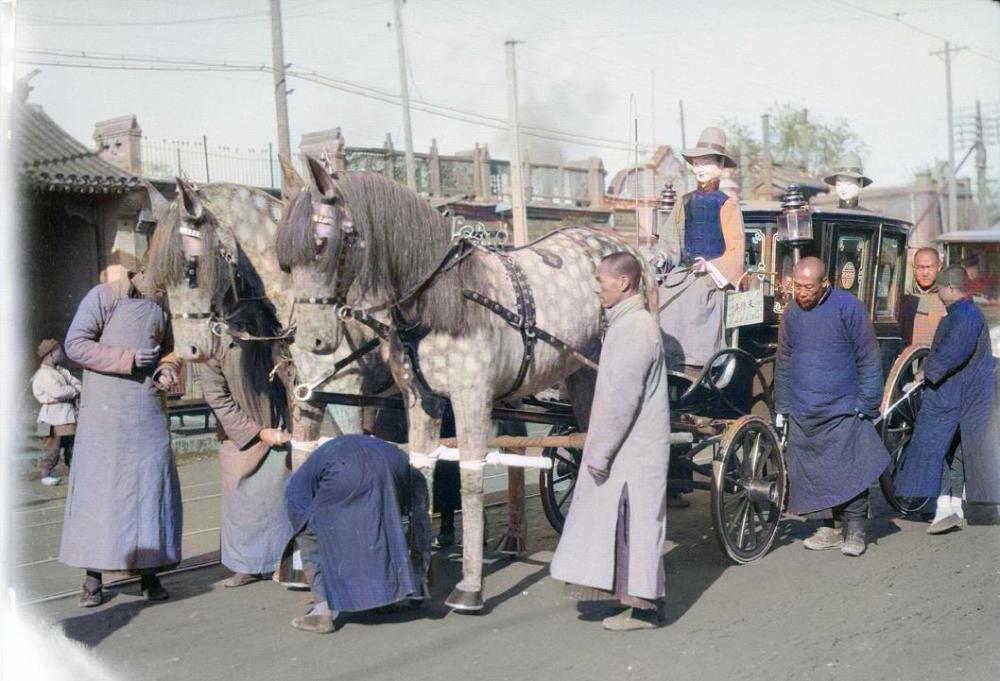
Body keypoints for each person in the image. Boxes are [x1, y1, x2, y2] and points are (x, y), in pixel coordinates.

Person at [550, 252, 671, 631]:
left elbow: (621, 401)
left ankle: (646, 610)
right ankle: (635, 603)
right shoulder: (628, 324)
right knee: (625, 525)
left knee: (634, 526)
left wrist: (598, 455)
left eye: (601, 280)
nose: (597, 287)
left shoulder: (634, 328)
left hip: (632, 451)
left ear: (623, 283)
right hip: (629, 450)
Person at [59, 271, 183, 606]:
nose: (161, 288)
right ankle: (92, 580)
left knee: (151, 490)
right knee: (100, 494)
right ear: (142, 271)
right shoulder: (104, 296)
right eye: (157, 279)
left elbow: (171, 350)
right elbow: (75, 344)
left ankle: (150, 575)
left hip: (147, 411)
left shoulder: (163, 305)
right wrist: (127, 359)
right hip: (105, 415)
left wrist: (167, 369)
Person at [775, 257, 890, 557]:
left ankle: (855, 529)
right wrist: (783, 405)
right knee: (811, 471)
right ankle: (828, 527)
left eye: (808, 287)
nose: (801, 293)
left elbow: (868, 355)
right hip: (804, 407)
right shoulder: (791, 313)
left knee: (848, 468)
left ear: (825, 283)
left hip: (843, 406)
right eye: (797, 286)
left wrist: (867, 402)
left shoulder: (847, 307)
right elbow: (784, 358)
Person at [283, 434, 430, 634]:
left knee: (310, 540)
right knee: (380, 530)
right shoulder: (323, 461)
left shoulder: (295, 488)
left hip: (347, 468)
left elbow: (306, 530)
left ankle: (322, 613)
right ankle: (389, 596)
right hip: (395, 461)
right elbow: (418, 516)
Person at [895, 266, 1000, 527]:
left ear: (951, 288)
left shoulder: (964, 316)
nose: (938, 294)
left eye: (940, 289)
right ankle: (953, 506)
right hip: (965, 393)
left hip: (952, 393)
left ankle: (944, 507)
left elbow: (954, 352)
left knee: (931, 444)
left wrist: (924, 373)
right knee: (956, 450)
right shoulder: (964, 313)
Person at [200, 329, 295, 588]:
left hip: (280, 427)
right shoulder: (212, 344)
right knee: (243, 503)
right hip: (239, 436)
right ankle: (246, 566)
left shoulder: (269, 334)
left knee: (279, 501)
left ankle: (282, 562)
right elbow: (217, 398)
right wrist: (257, 432)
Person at [658, 126, 745, 375]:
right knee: (662, 295)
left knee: (696, 299)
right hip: (683, 273)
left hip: (710, 279)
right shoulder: (684, 202)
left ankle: (695, 365)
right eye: (696, 163)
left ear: (719, 165)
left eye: (706, 162)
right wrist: (663, 257)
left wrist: (709, 266)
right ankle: (666, 359)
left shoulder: (728, 205)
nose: (700, 168)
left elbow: (736, 250)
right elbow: (670, 241)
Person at [31, 339, 81, 486]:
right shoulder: (43, 374)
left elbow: (78, 384)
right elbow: (58, 392)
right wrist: (73, 390)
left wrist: (72, 390)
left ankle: (74, 472)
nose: (62, 354)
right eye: (59, 351)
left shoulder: (62, 371)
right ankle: (46, 474)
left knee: (70, 446)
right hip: (51, 416)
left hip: (65, 415)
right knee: (53, 447)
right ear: (51, 354)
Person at [900, 247, 946, 347]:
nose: (925, 273)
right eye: (921, 267)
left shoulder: (947, 297)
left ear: (939, 266)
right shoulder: (903, 295)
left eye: (930, 267)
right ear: (914, 268)